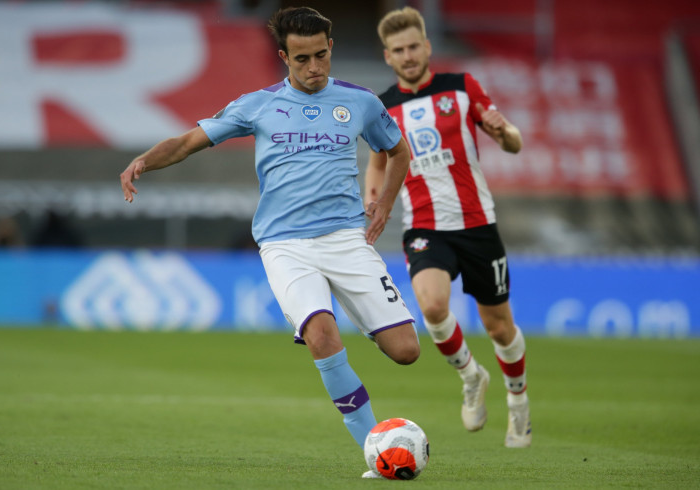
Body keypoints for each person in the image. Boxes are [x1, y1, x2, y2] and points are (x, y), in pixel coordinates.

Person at [119, 6, 419, 477]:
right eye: (302, 59)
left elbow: (397, 149)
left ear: (331, 48)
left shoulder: (359, 102)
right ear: (284, 56)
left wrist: (383, 202)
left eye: (321, 56)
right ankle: (374, 448)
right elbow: (187, 142)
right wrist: (143, 161)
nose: (315, 68)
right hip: (285, 244)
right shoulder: (257, 105)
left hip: (345, 238)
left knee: (406, 351)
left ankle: (364, 323)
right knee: (321, 333)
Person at [365, 6, 531, 448]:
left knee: (499, 327)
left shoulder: (461, 88)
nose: (408, 55)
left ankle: (518, 401)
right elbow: (377, 163)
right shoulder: (383, 106)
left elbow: (513, 142)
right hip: (424, 226)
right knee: (433, 307)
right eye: (398, 50)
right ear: (387, 56)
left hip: (477, 224)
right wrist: (374, 196)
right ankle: (471, 376)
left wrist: (502, 132)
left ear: (427, 47)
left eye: (413, 46)